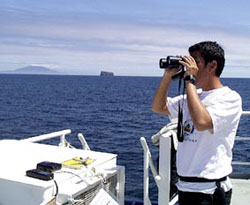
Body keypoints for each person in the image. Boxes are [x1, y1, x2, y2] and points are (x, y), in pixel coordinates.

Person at [152, 41, 242, 205]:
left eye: (195, 61)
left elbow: (201, 122)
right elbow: (159, 107)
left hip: (209, 192)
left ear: (212, 65)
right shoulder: (192, 96)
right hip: (186, 188)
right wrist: (167, 76)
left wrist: (190, 80)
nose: (189, 65)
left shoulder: (230, 98)